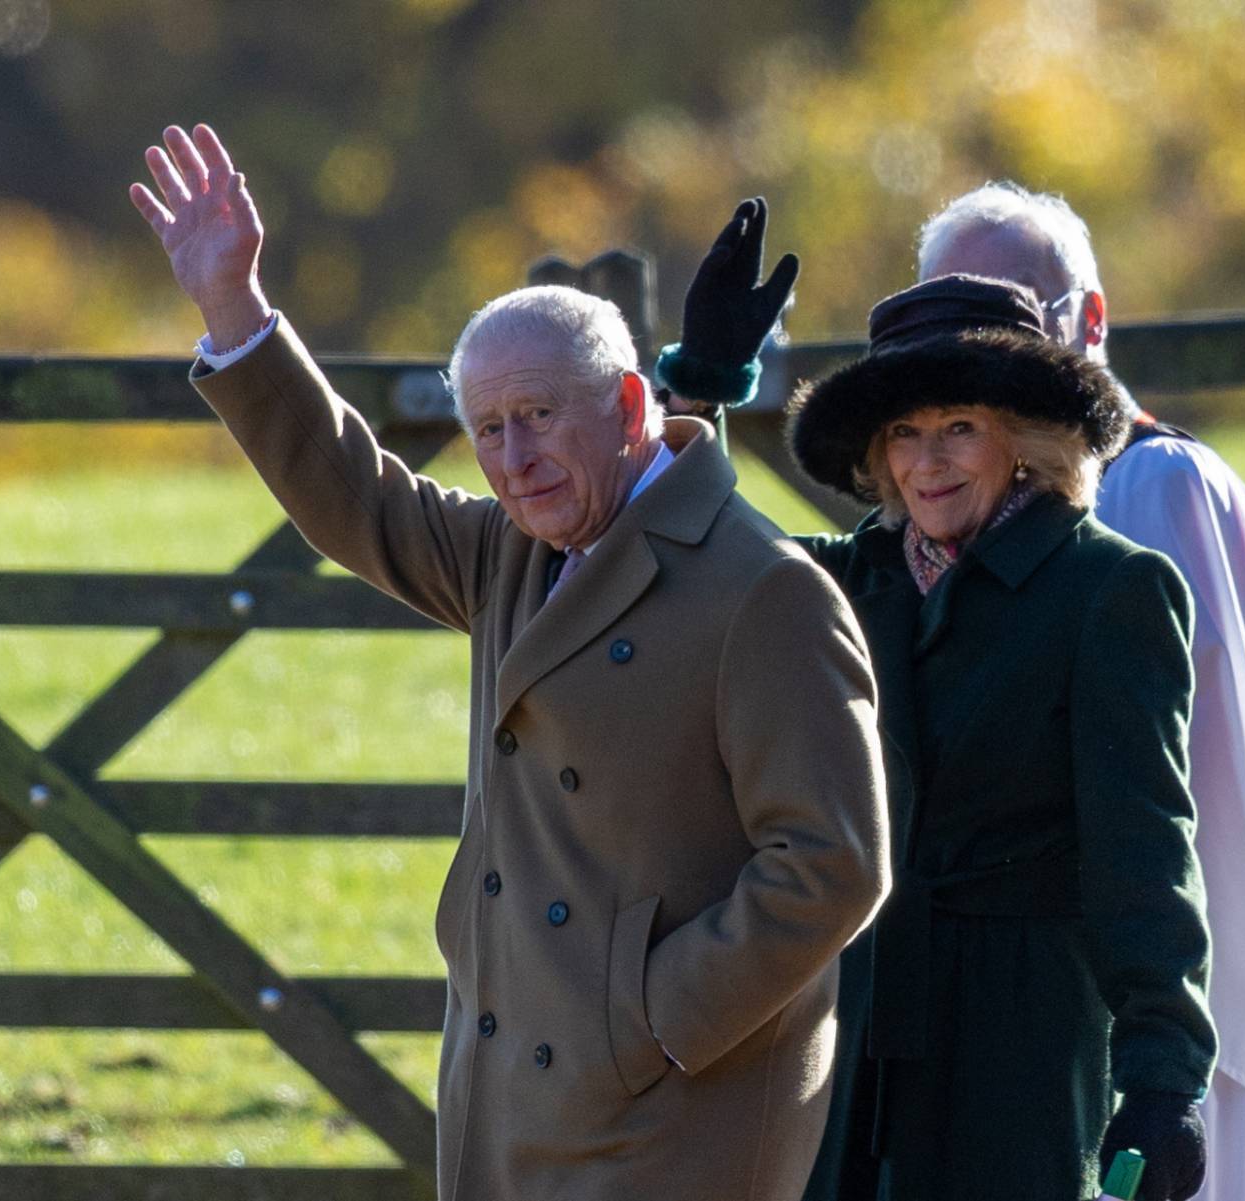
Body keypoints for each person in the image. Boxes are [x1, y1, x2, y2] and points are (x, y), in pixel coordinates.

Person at [128, 123, 890, 1201]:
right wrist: (234, 309)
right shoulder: (515, 551)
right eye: (487, 428)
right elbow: (360, 498)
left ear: (630, 408)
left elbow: (834, 862)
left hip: (675, 1112)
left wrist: (654, 1020)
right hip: (516, 1089)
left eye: (538, 416)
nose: (513, 457)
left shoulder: (761, 590)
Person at [660, 227, 1218, 1201]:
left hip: (1019, 1041)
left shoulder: (1108, 590)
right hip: (846, 1028)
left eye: (959, 426)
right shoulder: (842, 579)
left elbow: (1145, 853)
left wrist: (1165, 1081)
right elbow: (681, 558)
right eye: (905, 434)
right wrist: (699, 391)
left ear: (1025, 436)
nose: (929, 462)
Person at [917, 182, 1245, 1201]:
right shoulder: (981, 501)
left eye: (1011, 311)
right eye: (951, 317)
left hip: (1169, 981)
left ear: (1090, 321)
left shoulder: (1151, 489)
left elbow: (1191, 773)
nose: (979, 347)